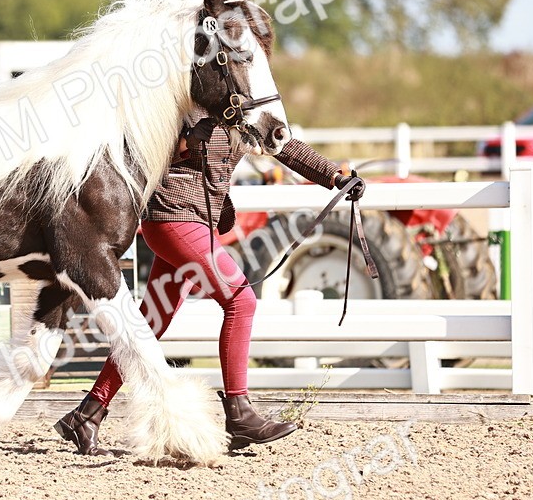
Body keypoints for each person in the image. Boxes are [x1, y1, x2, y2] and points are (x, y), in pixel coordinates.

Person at [54, 113, 364, 455]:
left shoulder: (248, 109)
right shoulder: (190, 103)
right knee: (241, 301)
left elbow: (283, 144)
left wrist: (335, 177)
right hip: (172, 217)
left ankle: (87, 413)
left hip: (198, 221)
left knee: (151, 322)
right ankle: (240, 413)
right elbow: (144, 147)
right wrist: (184, 142)